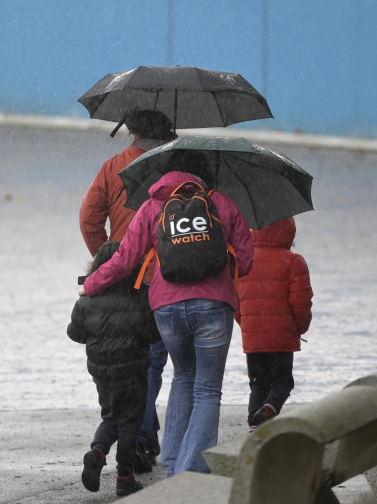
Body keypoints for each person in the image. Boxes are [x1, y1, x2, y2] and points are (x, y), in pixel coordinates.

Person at [79, 154, 253, 477]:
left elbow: (124, 260)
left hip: (166, 309)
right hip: (214, 306)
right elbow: (247, 257)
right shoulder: (220, 203)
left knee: (183, 377)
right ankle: (189, 473)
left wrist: (91, 285)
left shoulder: (152, 206)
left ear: (166, 174)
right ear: (202, 176)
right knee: (207, 389)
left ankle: (172, 469)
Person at [79, 108, 176, 470]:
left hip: (123, 278)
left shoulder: (113, 167)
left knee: (131, 363)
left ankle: (137, 439)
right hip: (168, 279)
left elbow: (89, 220)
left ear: (132, 130)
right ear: (167, 130)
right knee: (154, 363)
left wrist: (108, 257)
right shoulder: (177, 170)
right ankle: (142, 440)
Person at [67, 241, 160, 497]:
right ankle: (124, 477)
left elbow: (74, 333)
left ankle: (97, 451)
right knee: (130, 423)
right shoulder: (139, 297)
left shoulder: (86, 301)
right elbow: (153, 335)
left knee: (110, 419)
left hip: (103, 374)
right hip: (133, 372)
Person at [234, 217, 313, 432]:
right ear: (288, 233)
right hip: (282, 338)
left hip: (254, 336)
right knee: (283, 382)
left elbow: (235, 301)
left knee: (258, 383)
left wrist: (247, 325)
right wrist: (299, 328)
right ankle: (269, 410)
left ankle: (254, 424)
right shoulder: (294, 262)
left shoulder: (243, 260)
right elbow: (301, 302)